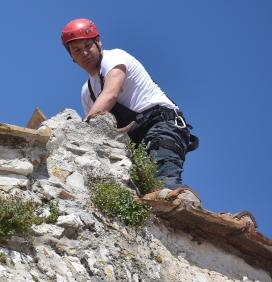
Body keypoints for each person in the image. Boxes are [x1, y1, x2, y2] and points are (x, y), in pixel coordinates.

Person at [61, 18, 198, 193]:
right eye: (77, 50)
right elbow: (97, 132)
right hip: (135, 143)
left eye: (88, 46)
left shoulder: (115, 57)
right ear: (71, 57)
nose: (84, 53)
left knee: (165, 186)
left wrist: (77, 131)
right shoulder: (87, 92)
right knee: (143, 195)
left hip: (162, 125)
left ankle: (183, 203)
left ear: (98, 42)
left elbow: (110, 94)